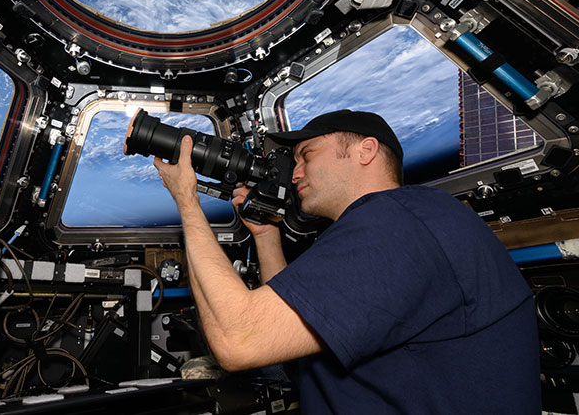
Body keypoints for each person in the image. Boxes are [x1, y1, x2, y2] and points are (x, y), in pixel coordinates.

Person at [153, 109, 540, 414]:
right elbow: (292, 337)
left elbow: (239, 341)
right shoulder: (410, 220)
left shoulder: (395, 221)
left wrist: (187, 202)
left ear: (365, 151)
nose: (296, 171)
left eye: (307, 155)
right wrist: (267, 236)